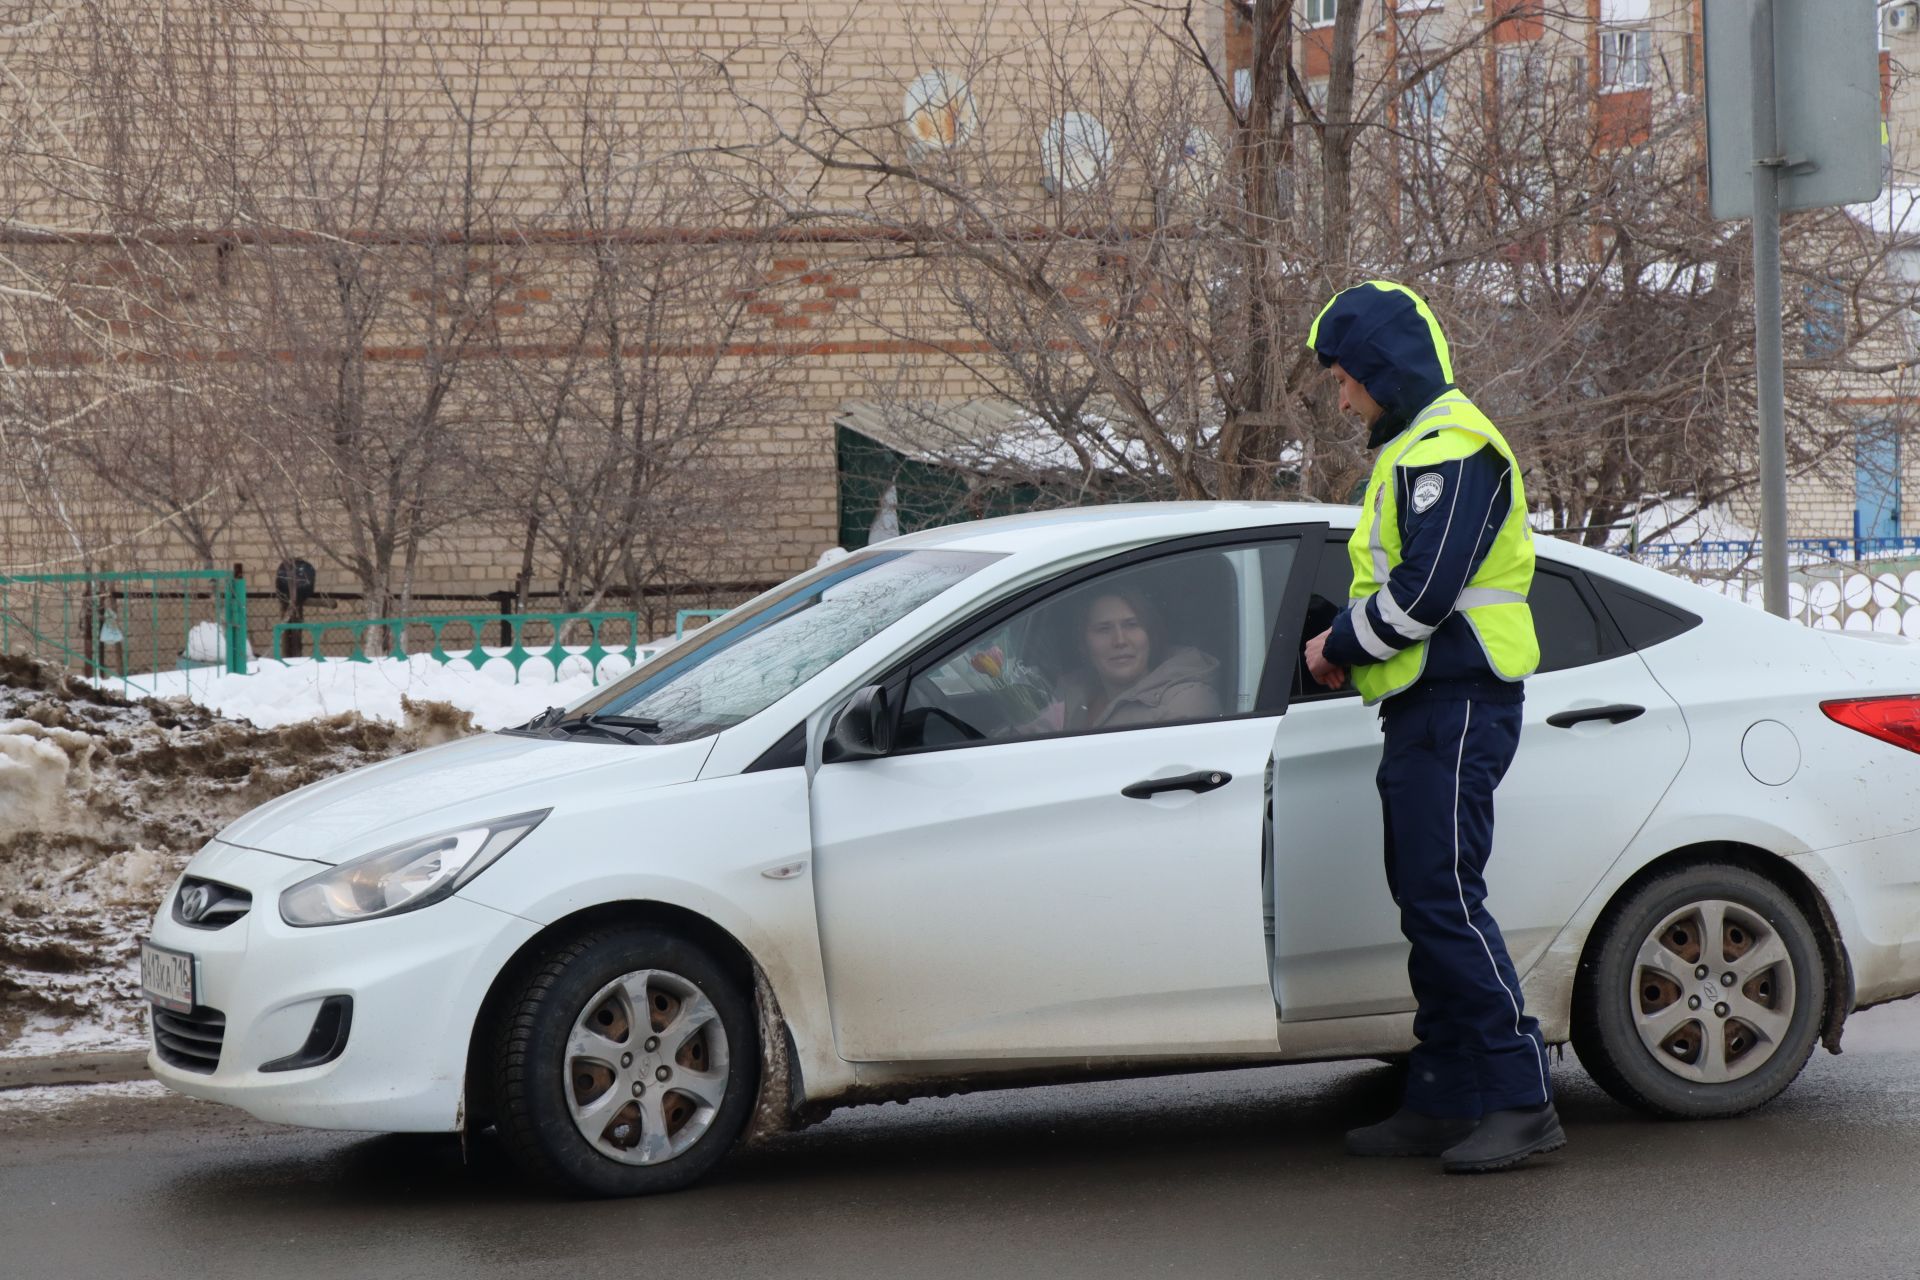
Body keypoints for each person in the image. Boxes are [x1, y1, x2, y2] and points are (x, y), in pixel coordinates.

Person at [1301, 280, 1565, 1174]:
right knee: (1427, 900)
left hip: (1460, 703)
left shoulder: (1452, 448)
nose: (1342, 397)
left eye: (1345, 378)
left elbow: (1423, 591)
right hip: (1427, 704)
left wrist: (1334, 642)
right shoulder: (1418, 447)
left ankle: (1520, 1096)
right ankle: (1446, 1094)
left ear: (1382, 367)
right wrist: (1352, 646)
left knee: (1446, 900)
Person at [1051, 589, 1221, 731]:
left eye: (1131, 625)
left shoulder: (1185, 701)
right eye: (1103, 629)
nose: (1120, 641)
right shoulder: (1067, 694)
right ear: (1083, 644)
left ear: (1151, 636)